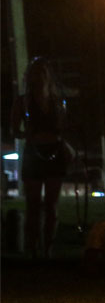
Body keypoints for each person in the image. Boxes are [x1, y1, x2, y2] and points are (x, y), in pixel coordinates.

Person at [10, 57, 71, 258]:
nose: (40, 77)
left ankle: (47, 248)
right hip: (34, 153)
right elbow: (14, 130)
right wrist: (27, 135)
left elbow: (63, 127)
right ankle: (32, 247)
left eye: (43, 72)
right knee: (33, 203)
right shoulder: (23, 101)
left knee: (52, 204)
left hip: (54, 152)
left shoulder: (57, 101)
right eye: (36, 73)